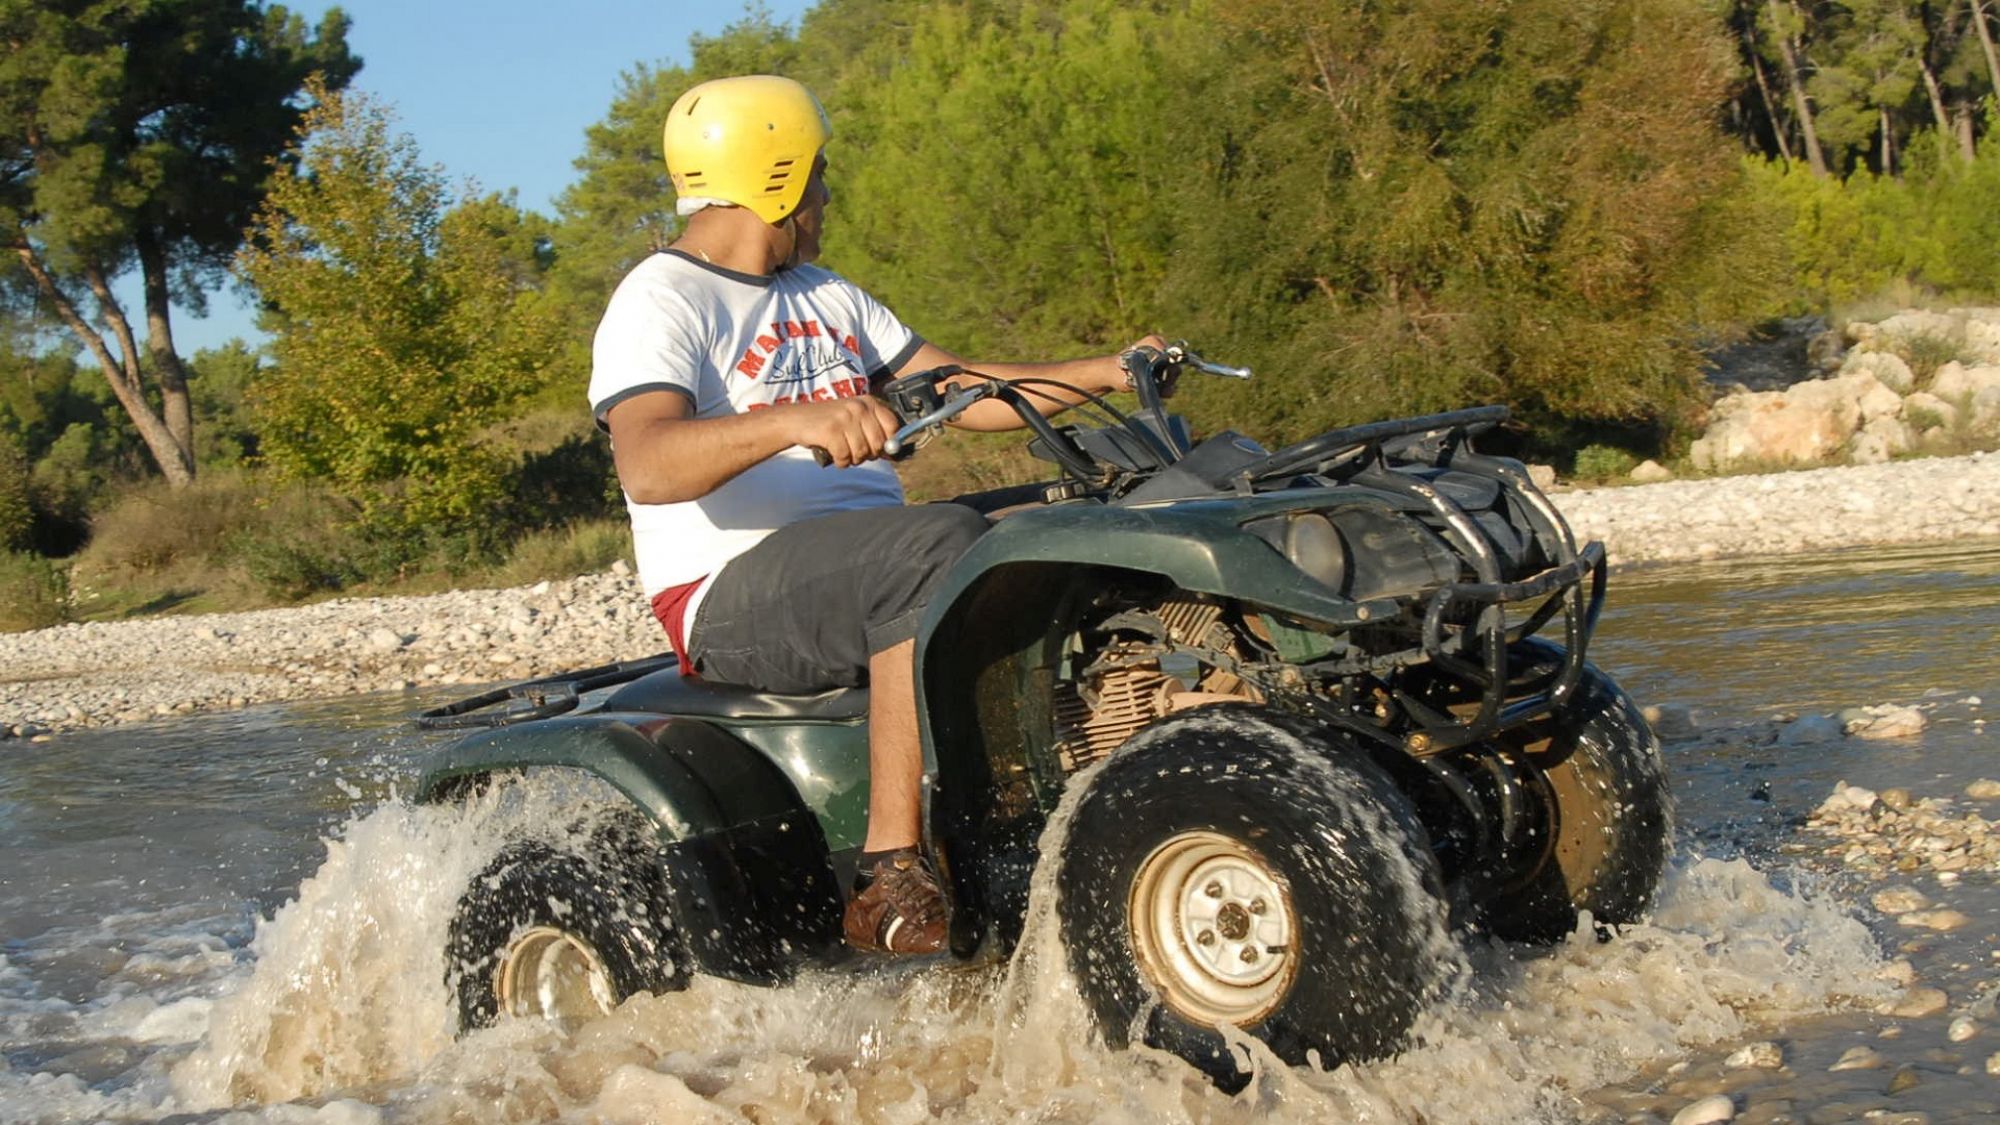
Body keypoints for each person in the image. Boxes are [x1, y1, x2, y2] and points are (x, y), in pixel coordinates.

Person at [589, 74, 1158, 956]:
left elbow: (967, 389)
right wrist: (797, 419)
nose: (824, 196)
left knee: (1070, 517)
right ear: (774, 177)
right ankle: (888, 875)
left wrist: (1113, 370)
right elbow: (648, 462)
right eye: (815, 175)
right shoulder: (663, 297)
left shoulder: (829, 295)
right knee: (933, 544)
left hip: (862, 557)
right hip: (729, 591)